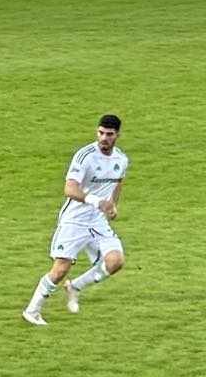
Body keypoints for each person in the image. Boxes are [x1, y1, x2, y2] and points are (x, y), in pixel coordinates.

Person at [21, 116, 130, 327]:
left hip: (97, 222)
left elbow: (117, 183)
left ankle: (75, 287)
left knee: (116, 261)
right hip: (75, 220)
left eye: (109, 134)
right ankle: (32, 311)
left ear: (118, 135)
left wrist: (112, 205)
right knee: (60, 269)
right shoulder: (85, 156)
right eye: (101, 133)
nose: (104, 138)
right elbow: (69, 189)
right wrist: (97, 202)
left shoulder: (121, 159)